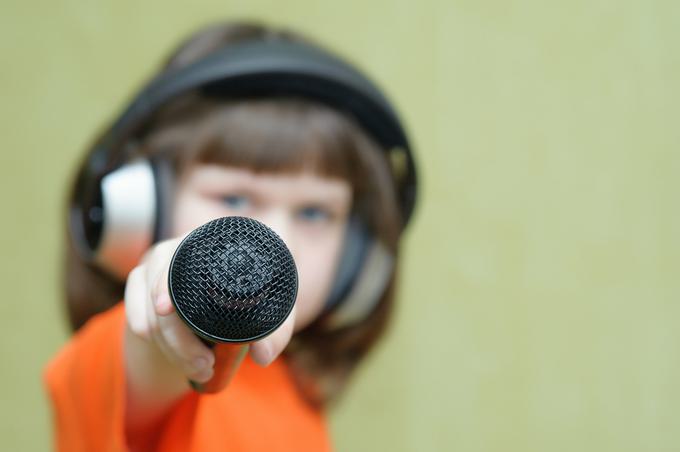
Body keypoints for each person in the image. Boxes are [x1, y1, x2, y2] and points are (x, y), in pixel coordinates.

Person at [44, 20, 418, 451]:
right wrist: (171, 309)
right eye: (235, 200)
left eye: (314, 212)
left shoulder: (292, 392)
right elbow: (154, 359)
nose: (273, 239)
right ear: (142, 208)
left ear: (358, 257)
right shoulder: (123, 357)